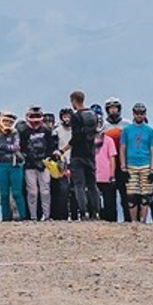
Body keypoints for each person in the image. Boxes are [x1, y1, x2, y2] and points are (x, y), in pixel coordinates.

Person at [119, 103, 153, 223]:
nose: (139, 116)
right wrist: (123, 167)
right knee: (132, 196)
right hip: (131, 165)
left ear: (145, 114)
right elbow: (122, 148)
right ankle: (134, 221)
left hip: (146, 164)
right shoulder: (126, 130)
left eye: (142, 113)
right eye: (137, 113)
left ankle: (143, 221)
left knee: (145, 196)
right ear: (133, 114)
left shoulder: (150, 131)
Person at [19, 106, 57, 221]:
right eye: (33, 116)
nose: (35, 120)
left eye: (37, 116)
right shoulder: (23, 131)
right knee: (32, 192)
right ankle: (33, 216)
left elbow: (51, 146)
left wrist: (46, 159)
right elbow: (22, 148)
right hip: (29, 166)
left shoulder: (46, 131)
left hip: (44, 165)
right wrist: (32, 161)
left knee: (45, 191)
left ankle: (47, 215)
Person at [68, 91, 100, 219]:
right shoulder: (93, 115)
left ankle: (83, 212)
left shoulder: (76, 117)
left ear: (73, 101)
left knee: (79, 185)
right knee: (92, 185)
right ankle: (96, 212)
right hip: (90, 154)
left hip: (77, 155)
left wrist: (62, 150)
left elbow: (75, 138)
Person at [0, 111, 27, 221]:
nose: (7, 124)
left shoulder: (15, 133)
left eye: (10, 122)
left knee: (17, 192)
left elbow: (16, 147)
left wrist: (3, 147)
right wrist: (8, 148)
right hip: (1, 165)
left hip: (15, 165)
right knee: (4, 193)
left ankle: (23, 216)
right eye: (5, 121)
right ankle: (5, 217)